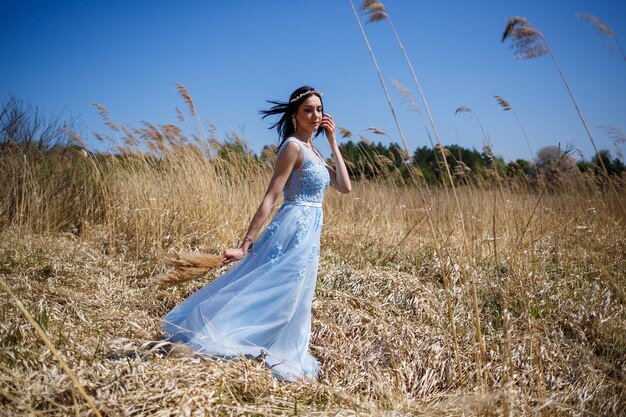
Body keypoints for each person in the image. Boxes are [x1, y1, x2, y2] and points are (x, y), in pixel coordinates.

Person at [162, 86, 351, 381]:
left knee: (297, 297)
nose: (315, 115)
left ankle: (277, 349)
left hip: (311, 233)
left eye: (318, 109)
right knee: (275, 289)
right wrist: (245, 244)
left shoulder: (314, 150)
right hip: (292, 227)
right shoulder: (292, 147)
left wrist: (333, 142)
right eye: (308, 110)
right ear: (294, 115)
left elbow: (345, 186)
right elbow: (270, 198)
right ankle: (225, 337)